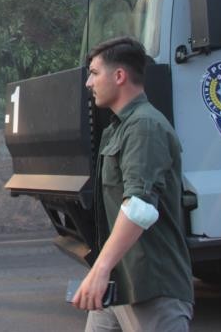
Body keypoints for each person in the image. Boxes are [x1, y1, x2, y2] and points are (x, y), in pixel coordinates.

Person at [71, 37, 193, 331]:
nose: (89, 82)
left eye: (94, 73)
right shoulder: (121, 127)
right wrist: (105, 270)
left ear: (120, 76)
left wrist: (99, 268)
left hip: (152, 287)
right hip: (119, 282)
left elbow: (140, 207)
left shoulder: (144, 127)